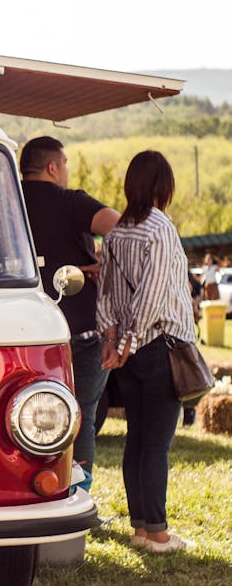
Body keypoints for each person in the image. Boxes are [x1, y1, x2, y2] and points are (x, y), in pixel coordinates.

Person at [97, 150, 194, 554]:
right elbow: (153, 296)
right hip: (155, 347)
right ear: (163, 186)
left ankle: (140, 528)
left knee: (137, 439)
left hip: (129, 353)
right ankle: (156, 534)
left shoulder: (117, 231)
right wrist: (130, 340)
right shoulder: (161, 227)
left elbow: (105, 294)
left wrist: (114, 340)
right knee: (156, 443)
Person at [19, 136, 120, 490]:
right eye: (64, 166)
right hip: (81, 325)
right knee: (83, 416)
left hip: (24, 333)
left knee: (26, 418)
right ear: (52, 167)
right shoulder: (70, 201)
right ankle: (79, 491)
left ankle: (34, 489)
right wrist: (99, 264)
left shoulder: (4, 198)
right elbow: (123, 228)